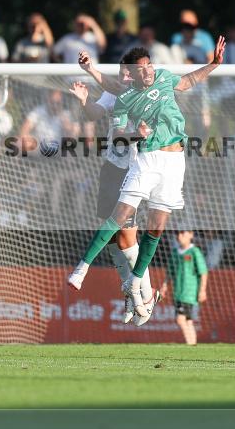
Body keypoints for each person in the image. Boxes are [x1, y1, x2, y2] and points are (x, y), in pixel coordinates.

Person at [68, 36, 225, 319]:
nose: (136, 74)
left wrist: (212, 64)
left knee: (139, 233)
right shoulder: (122, 95)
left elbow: (187, 81)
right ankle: (111, 280)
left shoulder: (161, 78)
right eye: (129, 71)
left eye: (145, 67)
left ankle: (138, 288)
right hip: (123, 167)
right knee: (118, 234)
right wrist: (89, 82)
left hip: (160, 162)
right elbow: (106, 115)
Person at [68, 53, 158, 325]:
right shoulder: (115, 94)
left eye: (131, 72)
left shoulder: (146, 95)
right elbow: (96, 111)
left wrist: (91, 69)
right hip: (111, 169)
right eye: (123, 72)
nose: (126, 77)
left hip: (134, 170)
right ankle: (133, 294)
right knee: (112, 238)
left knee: (126, 237)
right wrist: (84, 102)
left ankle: (145, 293)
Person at [161, 230, 208, 345]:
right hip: (178, 292)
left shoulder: (194, 252)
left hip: (189, 293)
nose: (180, 236)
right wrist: (164, 286)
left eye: (183, 233)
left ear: (191, 235)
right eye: (178, 233)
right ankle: (192, 344)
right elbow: (170, 273)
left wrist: (202, 290)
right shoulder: (175, 252)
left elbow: (203, 272)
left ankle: (189, 344)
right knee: (188, 320)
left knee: (180, 319)